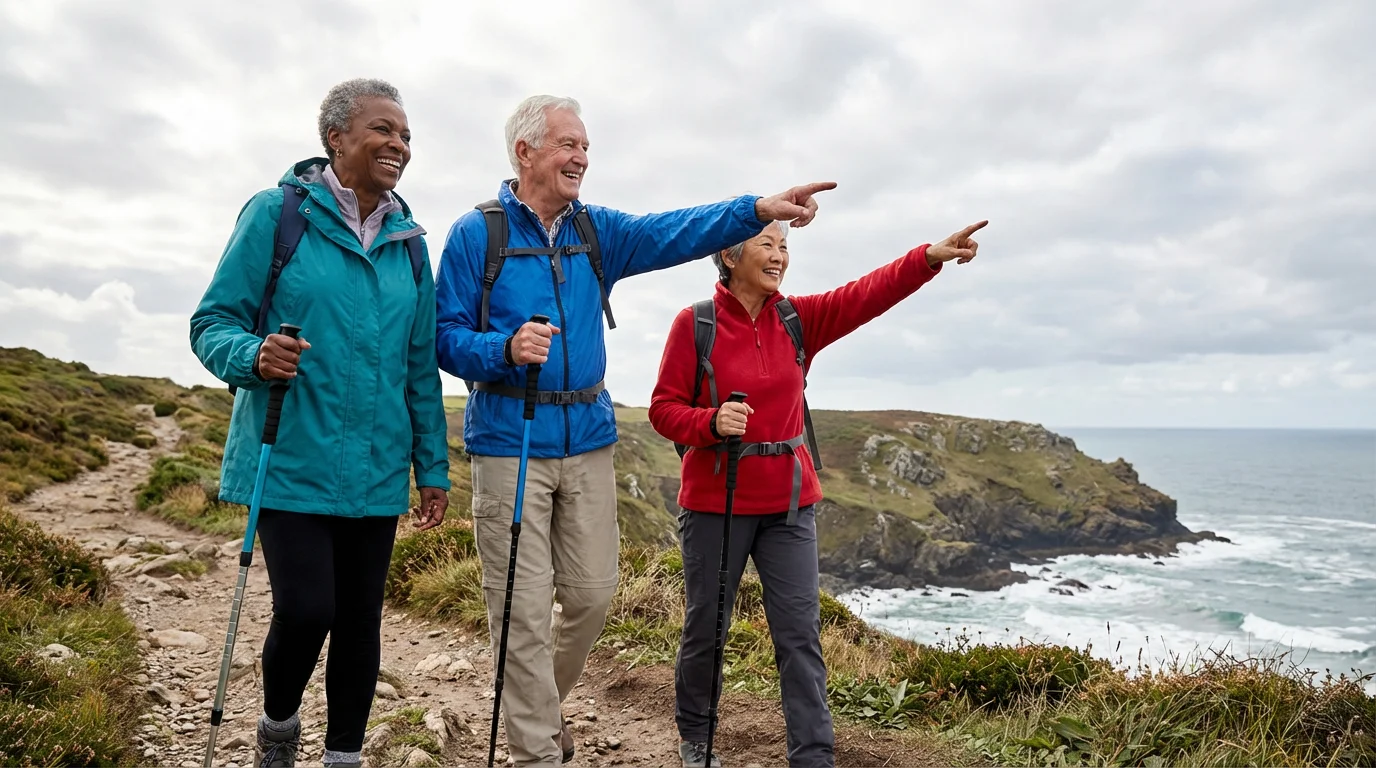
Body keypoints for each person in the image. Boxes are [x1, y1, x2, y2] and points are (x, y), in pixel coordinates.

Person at [434, 93, 835, 767]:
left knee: (591, 598)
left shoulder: (599, 234)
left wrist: (758, 211)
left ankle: (539, 706)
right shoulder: (478, 235)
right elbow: (444, 339)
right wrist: (502, 349)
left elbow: (675, 231)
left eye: (586, 147)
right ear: (526, 151)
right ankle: (537, 752)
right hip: (509, 440)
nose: (582, 158)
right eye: (569, 145)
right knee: (520, 612)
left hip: (588, 436)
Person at [648, 216, 988, 767]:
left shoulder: (797, 318)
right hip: (717, 505)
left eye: (786, 246)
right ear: (731, 258)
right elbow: (663, 410)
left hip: (789, 504)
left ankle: (813, 757)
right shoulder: (695, 324)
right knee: (707, 628)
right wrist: (711, 423)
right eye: (767, 244)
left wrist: (927, 257)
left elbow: (865, 295)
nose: (780, 255)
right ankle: (696, 738)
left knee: (800, 636)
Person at [189, 78, 451, 768]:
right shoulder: (278, 215)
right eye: (382, 130)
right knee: (308, 611)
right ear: (336, 137)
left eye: (405, 136)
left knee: (361, 622)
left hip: (377, 464)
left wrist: (433, 467)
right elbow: (211, 323)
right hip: (290, 456)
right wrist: (254, 354)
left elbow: (418, 367)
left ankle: (344, 757)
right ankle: (278, 729)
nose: (397, 145)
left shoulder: (410, 243)